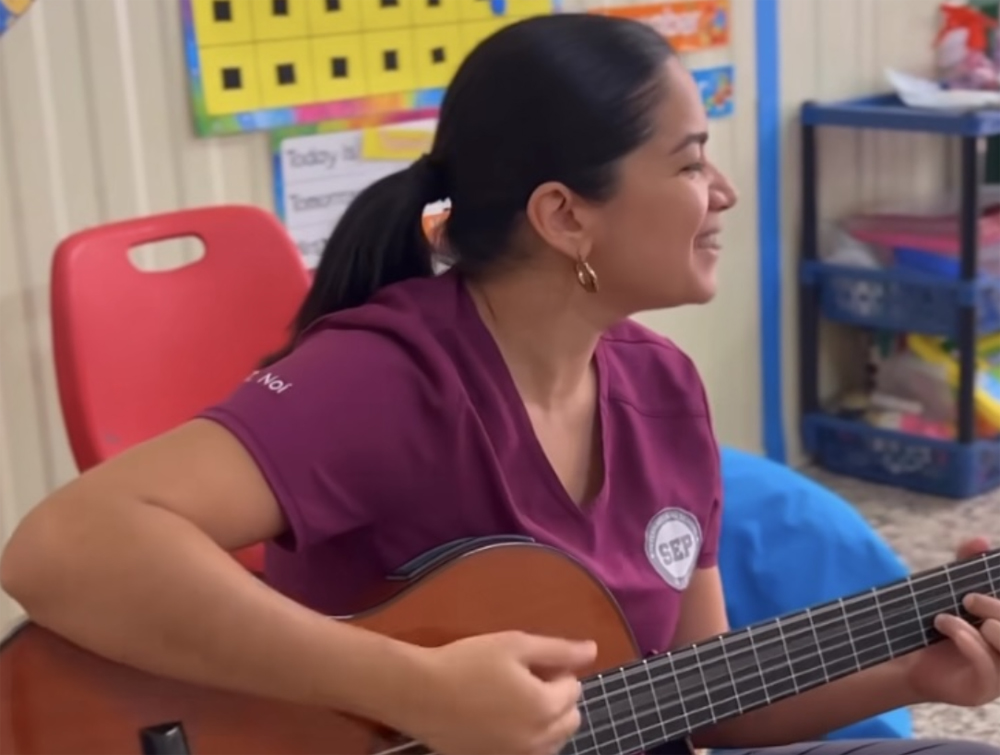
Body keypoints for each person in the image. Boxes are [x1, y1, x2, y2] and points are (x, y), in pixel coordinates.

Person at [2, 13, 999, 755]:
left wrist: (916, 665)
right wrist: (410, 683)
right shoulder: (388, 375)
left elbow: (707, 699)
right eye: (691, 162)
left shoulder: (664, 391)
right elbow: (61, 548)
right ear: (566, 216)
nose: (723, 192)